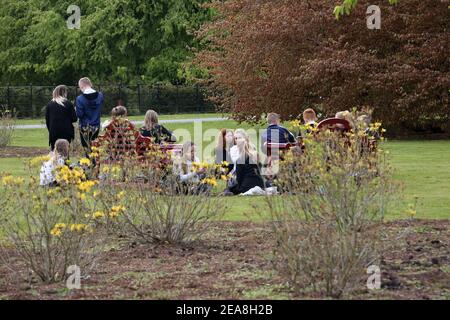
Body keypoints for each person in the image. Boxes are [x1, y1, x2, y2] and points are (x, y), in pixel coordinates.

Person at [229, 129, 265, 195]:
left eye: (239, 138)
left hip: (246, 184)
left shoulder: (241, 159)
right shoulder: (255, 154)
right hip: (260, 182)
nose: (237, 140)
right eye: (236, 138)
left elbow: (240, 177)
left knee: (232, 188)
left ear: (245, 138)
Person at [45, 85, 77, 150]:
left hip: (54, 132)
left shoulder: (49, 104)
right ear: (64, 93)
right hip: (66, 132)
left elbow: (47, 121)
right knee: (65, 152)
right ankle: (65, 160)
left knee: (55, 152)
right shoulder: (68, 103)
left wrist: (51, 130)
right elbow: (74, 119)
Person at [75, 77, 104, 149]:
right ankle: (94, 160)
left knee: (86, 147)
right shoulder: (100, 96)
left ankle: (88, 160)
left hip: (85, 126)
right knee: (95, 147)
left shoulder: (80, 98)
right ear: (90, 84)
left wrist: (76, 110)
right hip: (96, 125)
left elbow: (80, 115)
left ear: (82, 86)